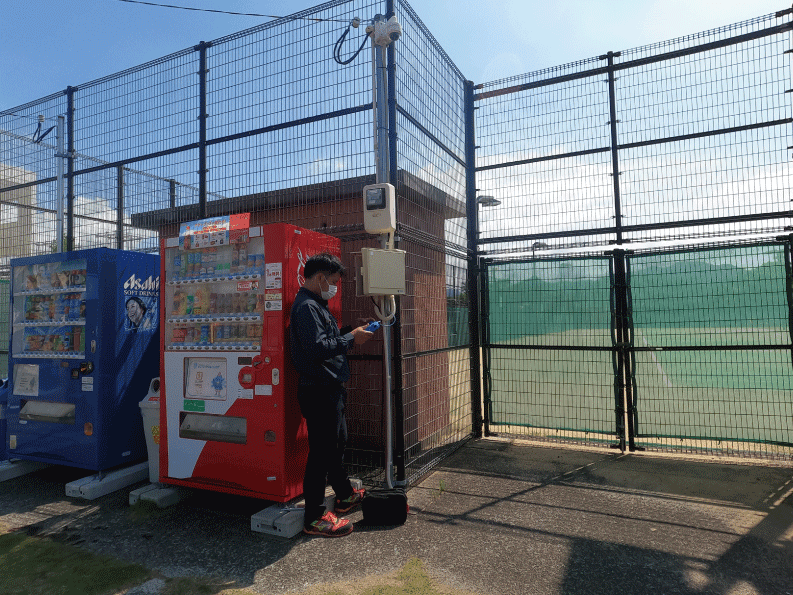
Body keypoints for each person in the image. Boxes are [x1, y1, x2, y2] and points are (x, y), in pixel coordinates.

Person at [289, 252, 374, 537]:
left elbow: (328, 338)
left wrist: (351, 331)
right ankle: (314, 516)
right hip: (319, 390)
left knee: (336, 444)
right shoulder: (306, 308)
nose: (335, 286)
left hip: (330, 388)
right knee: (322, 452)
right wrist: (351, 338)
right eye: (334, 281)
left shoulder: (317, 305)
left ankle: (345, 495)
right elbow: (316, 348)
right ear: (320, 277)